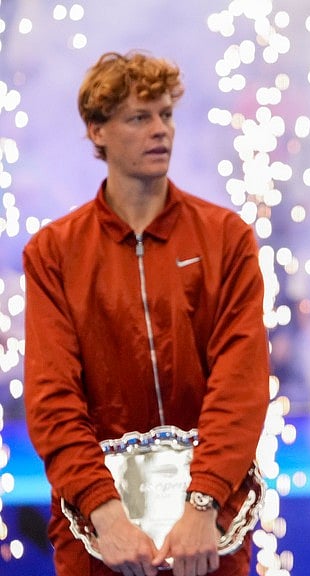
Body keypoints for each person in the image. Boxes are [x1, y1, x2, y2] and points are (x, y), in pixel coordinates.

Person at [22, 51, 270, 576]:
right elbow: (52, 398)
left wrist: (204, 502)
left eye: (166, 115)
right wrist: (105, 512)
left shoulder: (227, 239)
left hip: (210, 526)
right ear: (97, 131)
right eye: (139, 117)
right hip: (97, 532)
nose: (161, 131)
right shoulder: (53, 253)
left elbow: (240, 383)